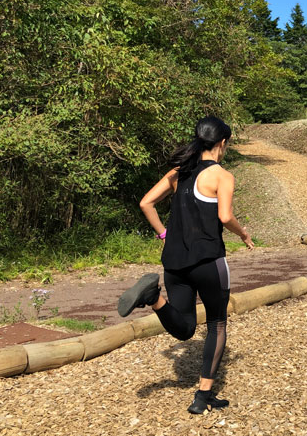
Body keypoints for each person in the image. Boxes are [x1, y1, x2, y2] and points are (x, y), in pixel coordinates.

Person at [117, 116, 254, 414]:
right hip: (208, 261)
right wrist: (243, 234)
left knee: (185, 329)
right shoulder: (222, 176)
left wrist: (164, 235)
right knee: (217, 324)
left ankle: (154, 298)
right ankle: (203, 395)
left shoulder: (180, 172)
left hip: (174, 263)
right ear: (222, 143)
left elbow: (146, 203)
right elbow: (225, 217)